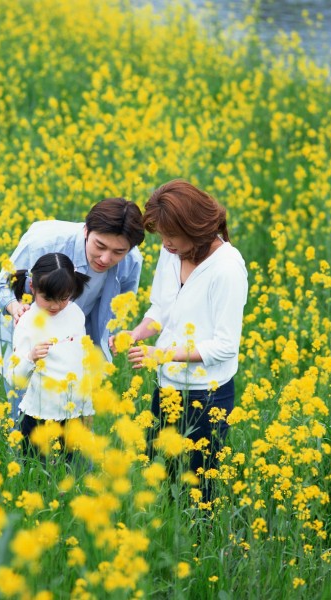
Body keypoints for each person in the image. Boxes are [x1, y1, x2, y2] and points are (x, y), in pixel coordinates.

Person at [123, 180, 248, 502]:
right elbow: (162, 307)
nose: (165, 244)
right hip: (167, 387)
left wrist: (161, 354)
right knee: (157, 479)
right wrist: (137, 333)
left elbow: (224, 347)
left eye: (171, 236)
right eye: (161, 236)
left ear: (196, 228)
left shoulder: (227, 269)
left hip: (207, 396)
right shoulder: (174, 252)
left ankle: (199, 548)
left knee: (198, 490)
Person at [0, 197, 145, 423]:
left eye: (118, 252)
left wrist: (112, 335)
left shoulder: (131, 260)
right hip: (27, 336)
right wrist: (15, 308)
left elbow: (120, 304)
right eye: (99, 246)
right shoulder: (43, 243)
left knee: (77, 421)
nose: (105, 258)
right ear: (86, 230)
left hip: (75, 338)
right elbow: (1, 284)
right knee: (25, 418)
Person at [6, 252, 92, 450]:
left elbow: (81, 361)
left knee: (71, 472)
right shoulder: (27, 321)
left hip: (73, 411)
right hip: (40, 414)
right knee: (36, 474)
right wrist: (31, 357)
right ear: (32, 288)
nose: (55, 305)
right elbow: (14, 377)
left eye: (64, 298)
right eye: (48, 298)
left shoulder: (75, 313)